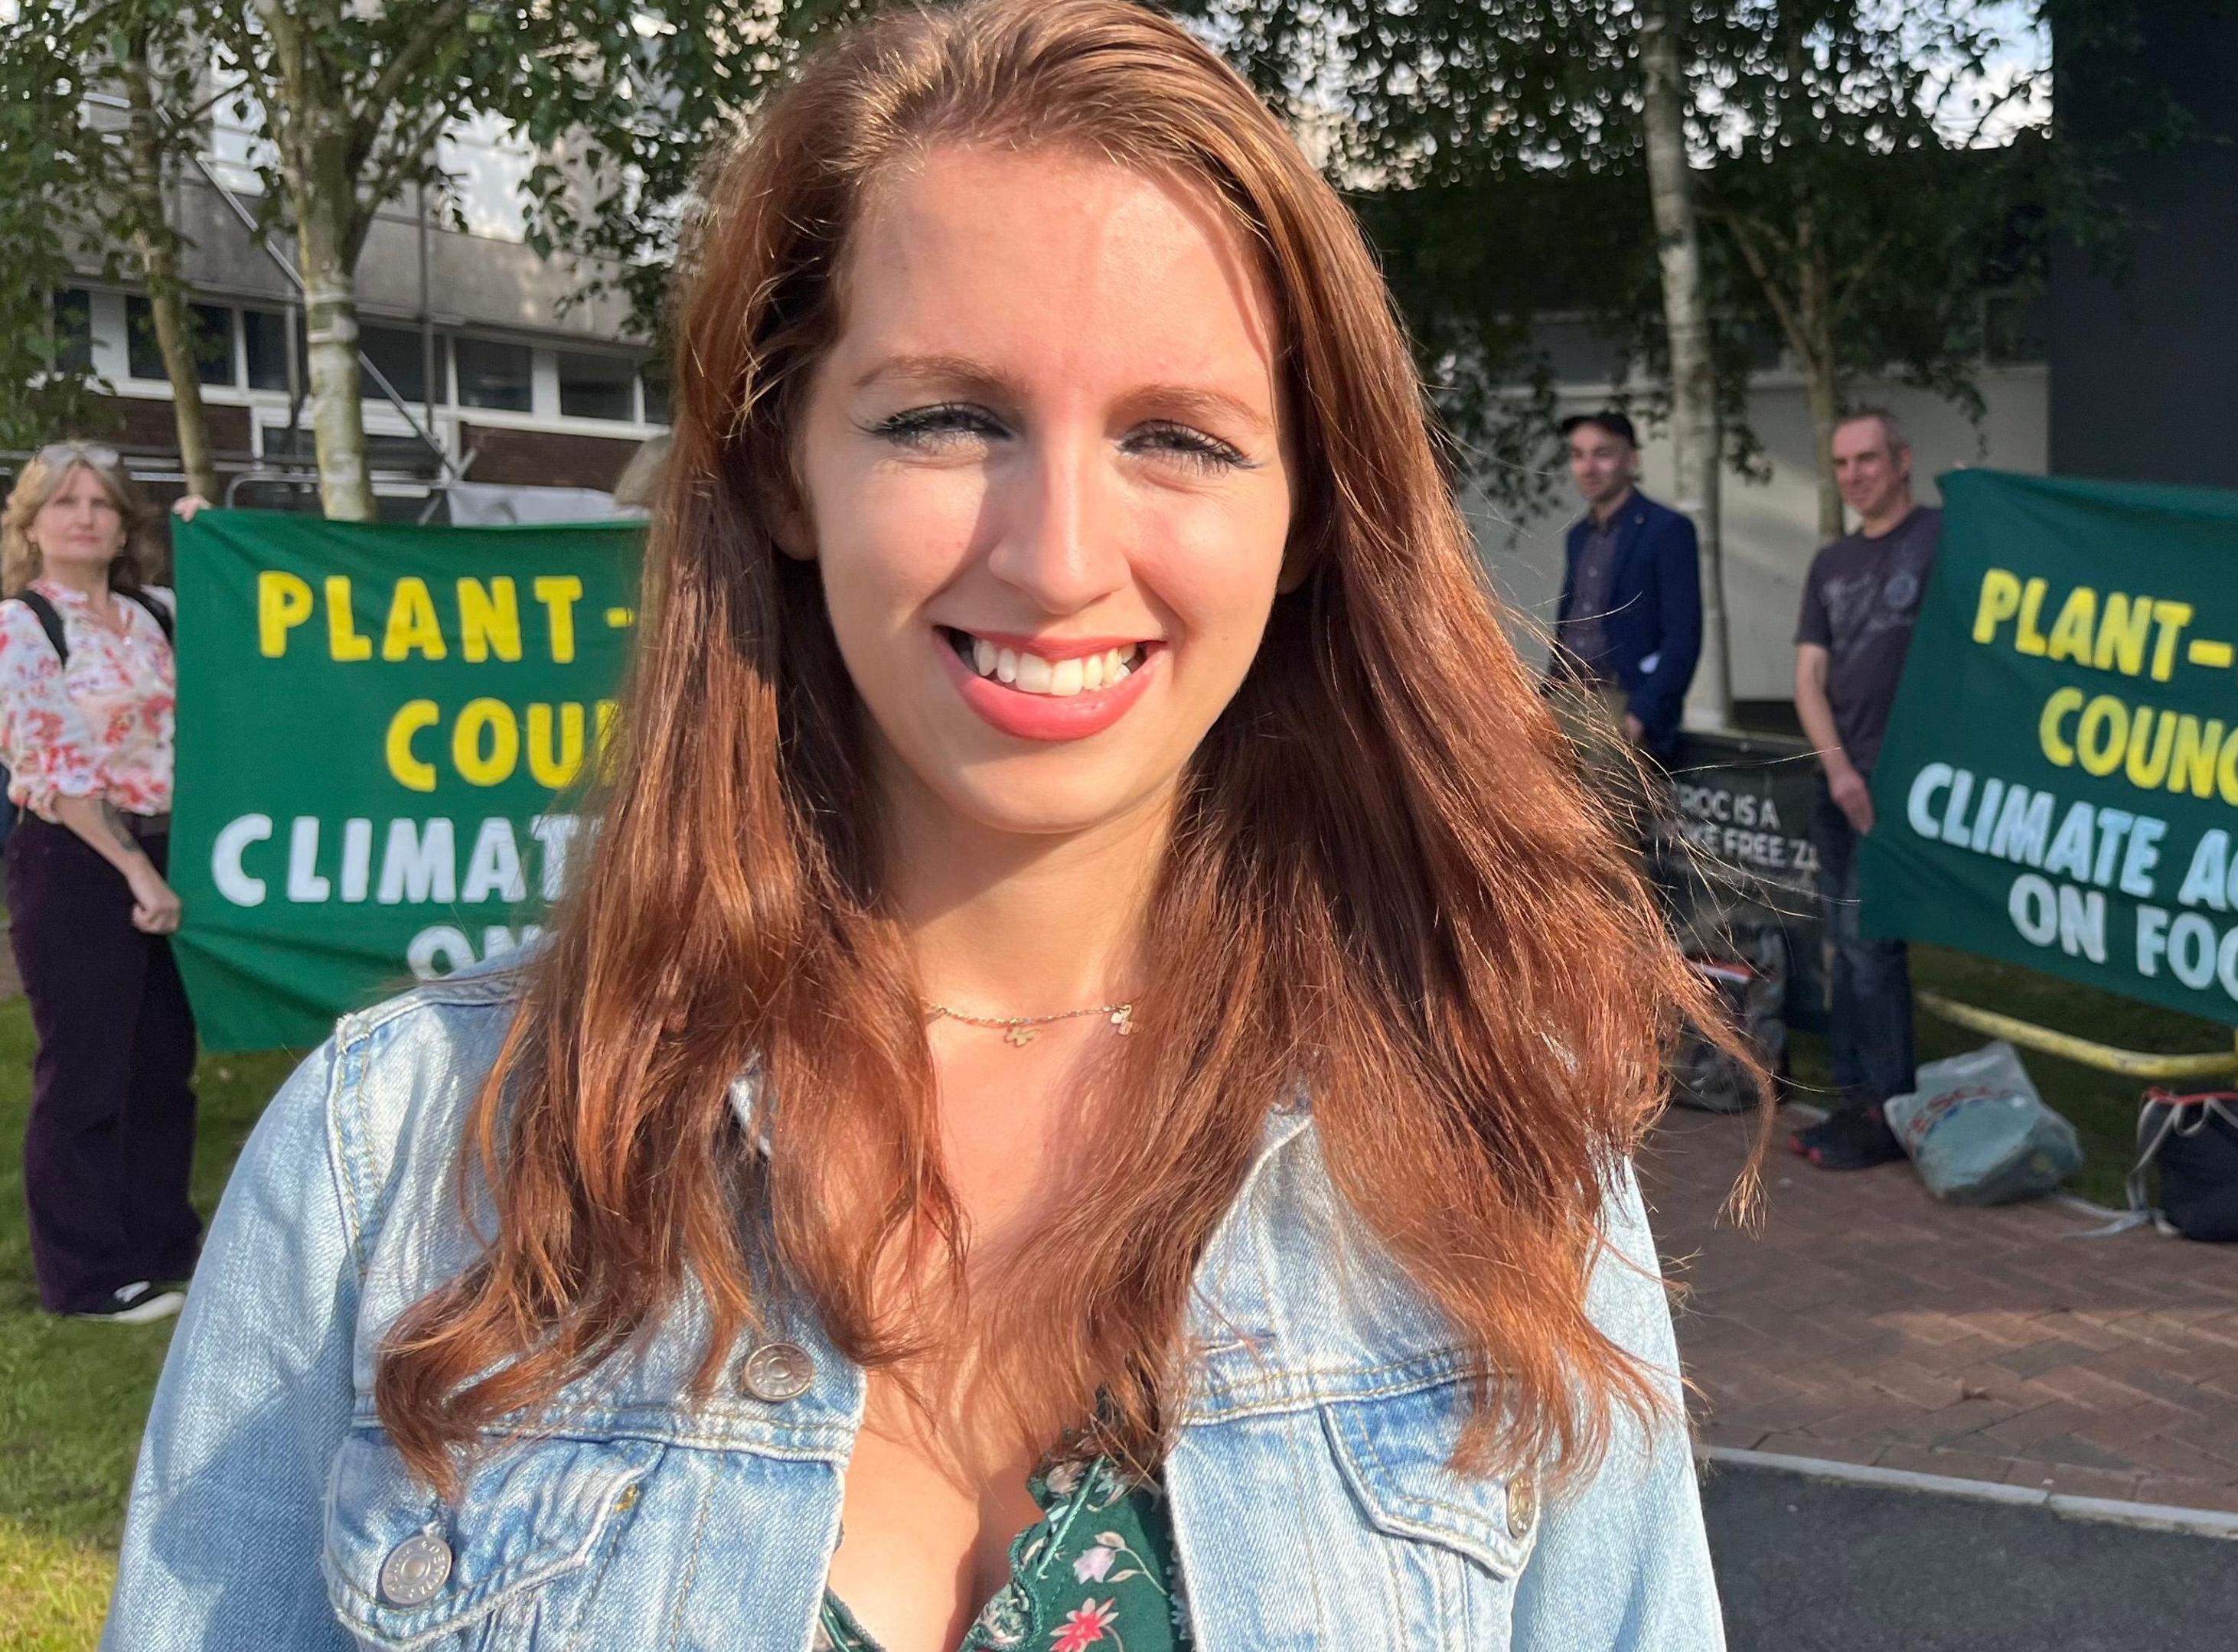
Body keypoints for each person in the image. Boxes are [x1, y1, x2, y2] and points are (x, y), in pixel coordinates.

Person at [102, 5, 1748, 1649]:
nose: (1056, 555)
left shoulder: (1498, 1166)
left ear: (1310, 514)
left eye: (1178, 435)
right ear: (778, 469)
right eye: (945, 417)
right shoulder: (389, 1159)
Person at [1, 442, 199, 1325]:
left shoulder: (155, 612)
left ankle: (162, 1245)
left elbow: (255, 633)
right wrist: (132, 870)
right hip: (76, 857)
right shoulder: (21, 625)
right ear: (31, 522)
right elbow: (53, 756)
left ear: (125, 524)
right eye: (64, 502)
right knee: (87, 1069)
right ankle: (85, 1276)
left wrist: (217, 537)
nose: (84, 516)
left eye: (102, 503)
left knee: (162, 1064)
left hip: (168, 850)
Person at [1786, 408, 1940, 1172]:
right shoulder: (1831, 564)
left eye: (1868, 460)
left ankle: (1889, 1107)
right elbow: (1808, 676)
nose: (1854, 475)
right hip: (1839, 779)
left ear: (1902, 459)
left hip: (1902, 780)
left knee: (1872, 947)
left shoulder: (1942, 538)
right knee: (1841, 946)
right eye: (1842, 464)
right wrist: (1838, 767)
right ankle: (1855, 1100)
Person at [1552, 409, 1701, 771]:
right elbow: (1571, 622)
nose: (1588, 467)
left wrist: (1640, 716)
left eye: (1602, 453)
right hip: (1563, 700)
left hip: (1618, 704)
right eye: (1578, 455)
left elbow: (1684, 637)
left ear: (1631, 459)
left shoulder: (1667, 530)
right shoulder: (1578, 536)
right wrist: (1547, 695)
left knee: (1609, 827)